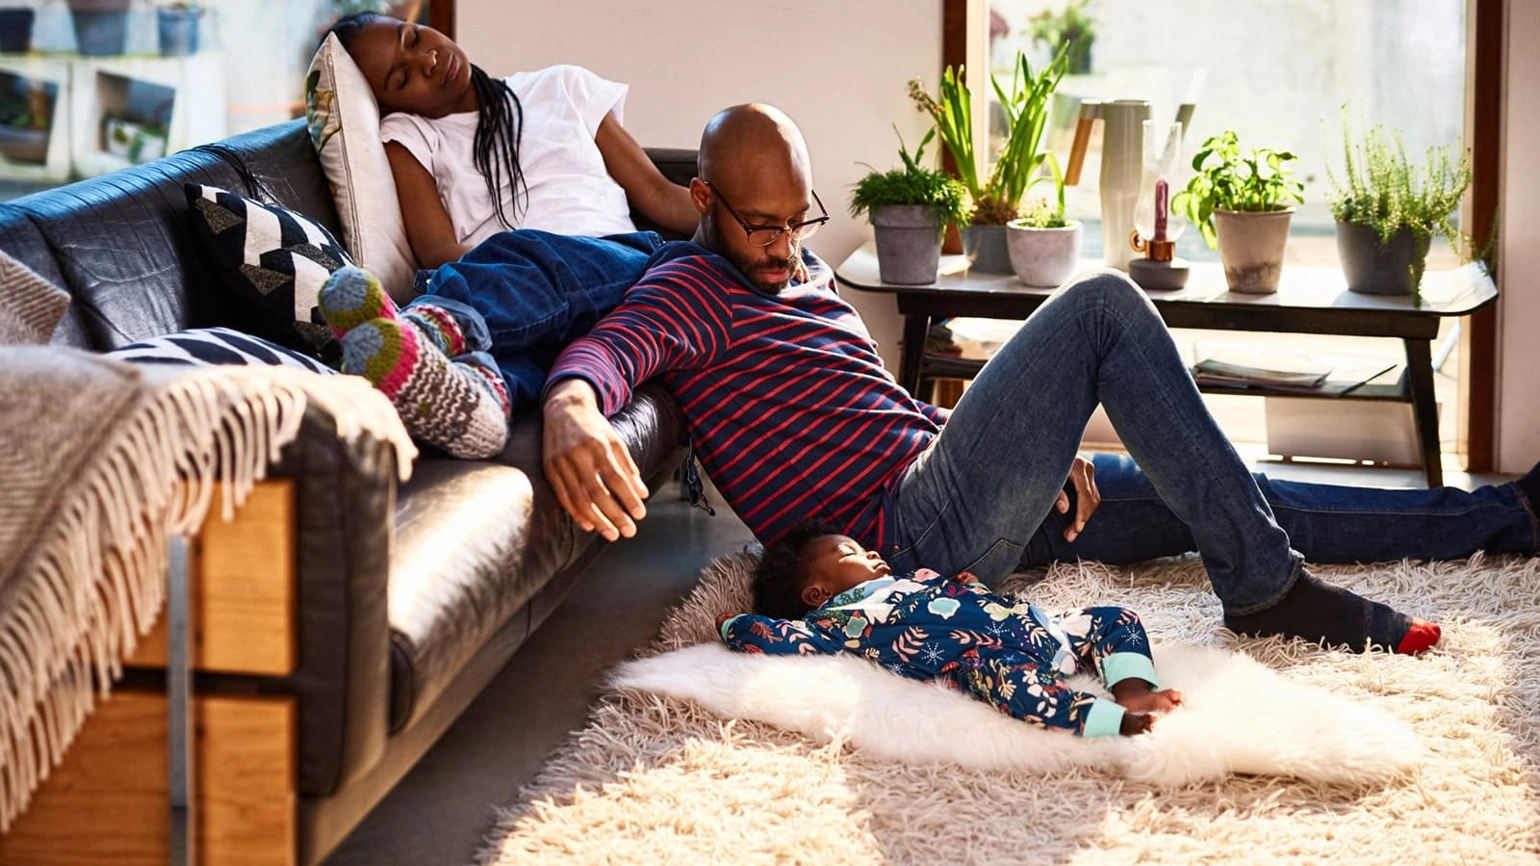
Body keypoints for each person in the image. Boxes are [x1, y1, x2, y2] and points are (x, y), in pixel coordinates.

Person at [541, 102, 1540, 656]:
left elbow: (876, 407)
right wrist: (569, 409)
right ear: (703, 200)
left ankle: (1502, 518)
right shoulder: (686, 289)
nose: (783, 249)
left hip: (959, 487)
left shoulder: (792, 267)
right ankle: (1266, 591)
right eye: (759, 224)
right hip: (907, 531)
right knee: (1102, 303)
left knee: (1229, 493)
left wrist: (1029, 450)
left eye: (796, 222)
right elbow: (602, 357)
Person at [312, 13, 705, 457]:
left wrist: (753, 222)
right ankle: (478, 403)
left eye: (415, 38)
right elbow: (439, 250)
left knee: (527, 250)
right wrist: (506, 273)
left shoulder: (562, 87)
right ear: (390, 105)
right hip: (524, 312)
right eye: (402, 78)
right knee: (520, 357)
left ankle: (421, 328)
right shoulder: (409, 137)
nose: (428, 59)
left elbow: (657, 193)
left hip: (624, 270)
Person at [718, 522, 1183, 737]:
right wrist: (734, 624)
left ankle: (1133, 688)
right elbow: (781, 638)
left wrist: (972, 587)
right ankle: (1103, 719)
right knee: (1007, 681)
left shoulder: (910, 578)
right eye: (850, 553)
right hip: (981, 655)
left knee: (1114, 618)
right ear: (816, 594)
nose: (872, 554)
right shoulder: (835, 622)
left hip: (1042, 629)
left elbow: (968, 603)